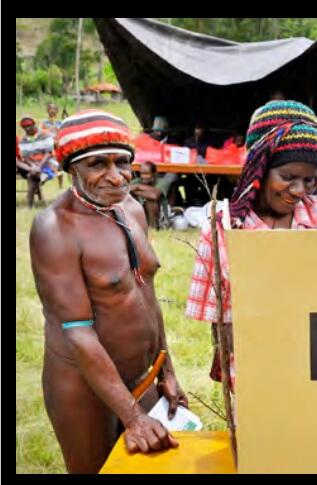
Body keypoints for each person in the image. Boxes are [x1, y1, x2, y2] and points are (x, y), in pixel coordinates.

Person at [30, 109, 186, 472]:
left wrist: (166, 371)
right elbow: (77, 333)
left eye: (122, 162)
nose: (116, 177)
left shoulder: (131, 208)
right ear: (72, 168)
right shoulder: (54, 228)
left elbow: (146, 297)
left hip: (143, 376)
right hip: (83, 390)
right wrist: (133, 417)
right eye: (98, 164)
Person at [186, 100, 317, 390]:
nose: (299, 191)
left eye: (309, 180)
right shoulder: (223, 224)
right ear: (258, 167)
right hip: (253, 374)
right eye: (287, 178)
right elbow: (219, 319)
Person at [128, 161, 167, 230]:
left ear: (154, 174)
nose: (143, 177)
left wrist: (137, 187)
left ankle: (153, 228)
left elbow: (154, 196)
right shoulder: (137, 181)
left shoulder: (162, 182)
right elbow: (127, 190)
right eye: (142, 174)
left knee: (150, 201)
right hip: (142, 212)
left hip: (160, 215)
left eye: (146, 174)